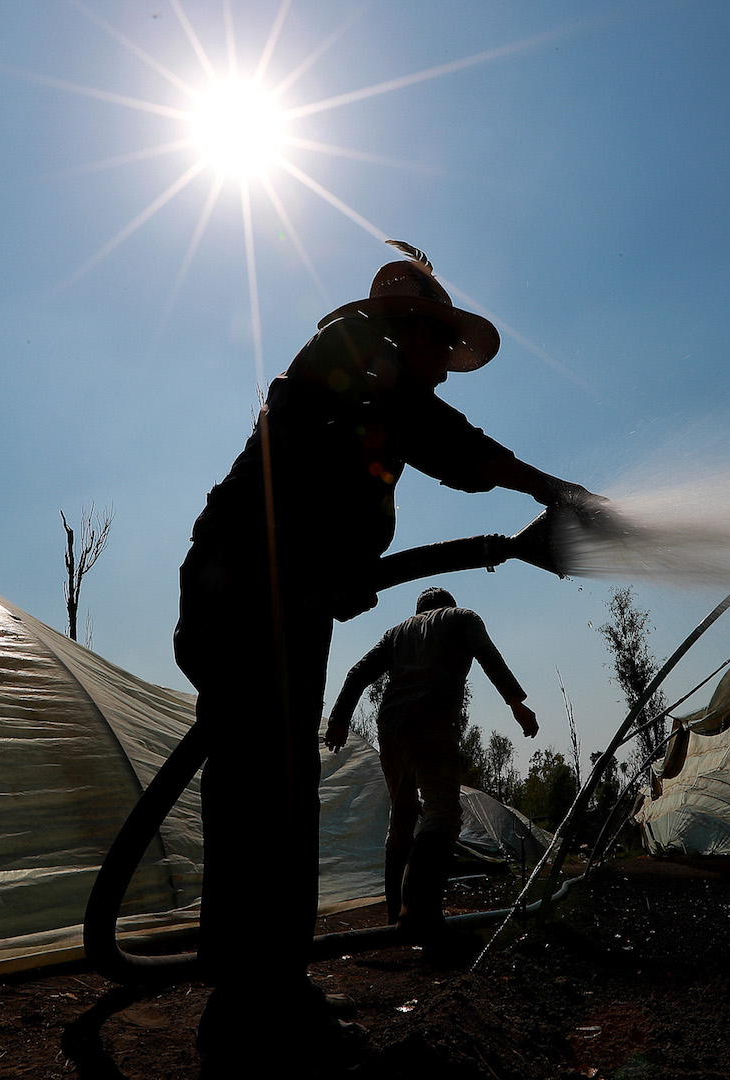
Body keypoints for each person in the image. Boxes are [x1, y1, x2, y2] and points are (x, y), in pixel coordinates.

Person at [173, 242, 599, 1064]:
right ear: (409, 326)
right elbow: (446, 442)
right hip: (245, 590)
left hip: (280, 594)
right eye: (442, 347)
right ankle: (250, 1009)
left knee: (277, 786)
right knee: (264, 784)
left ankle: (266, 990)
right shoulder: (355, 347)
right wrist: (554, 490)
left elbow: (426, 447)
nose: (446, 370)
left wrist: (340, 570)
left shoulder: (375, 391)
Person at [324, 587, 539, 948]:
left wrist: (339, 719)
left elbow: (358, 672)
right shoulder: (461, 618)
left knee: (402, 814)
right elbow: (486, 653)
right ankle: (421, 917)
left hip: (391, 723)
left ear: (418, 610)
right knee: (443, 813)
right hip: (432, 716)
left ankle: (397, 917)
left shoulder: (395, 633)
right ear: (447, 606)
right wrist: (516, 703)